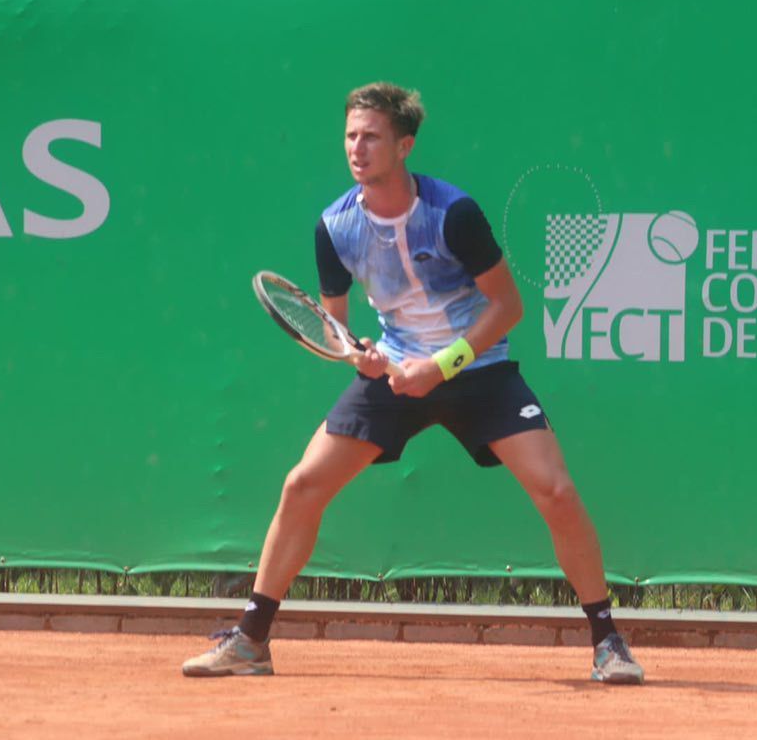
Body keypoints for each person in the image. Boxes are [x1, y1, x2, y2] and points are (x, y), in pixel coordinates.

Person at [182, 82, 643, 684]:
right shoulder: (334, 227)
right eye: (350, 135)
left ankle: (608, 641)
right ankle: (250, 640)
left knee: (556, 491)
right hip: (397, 370)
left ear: (405, 145)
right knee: (302, 485)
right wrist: (361, 359)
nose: (357, 147)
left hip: (478, 372)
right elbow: (335, 327)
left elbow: (507, 307)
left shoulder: (454, 214)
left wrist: (443, 365)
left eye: (371, 136)